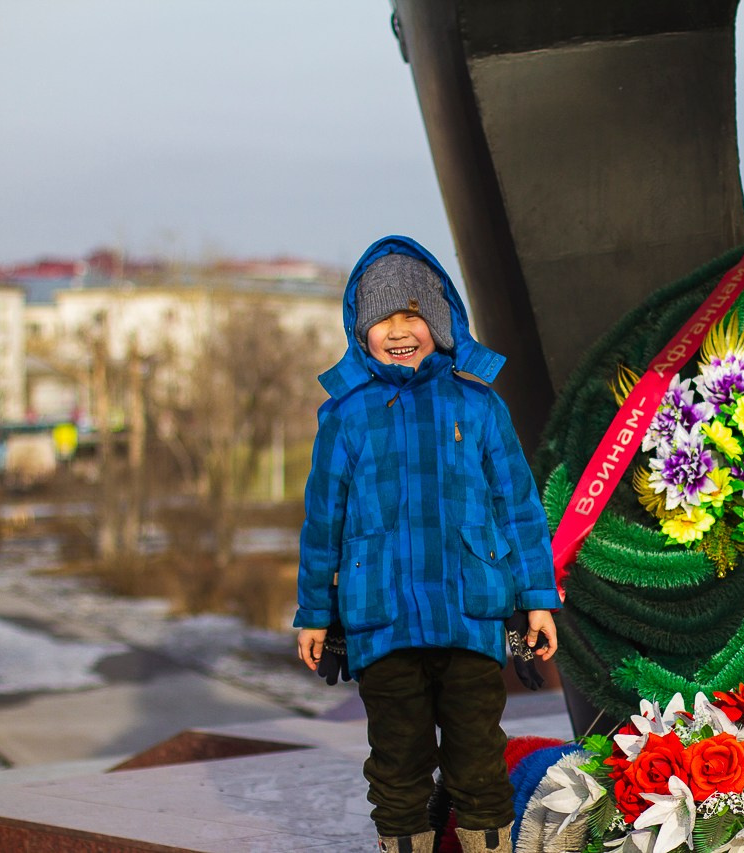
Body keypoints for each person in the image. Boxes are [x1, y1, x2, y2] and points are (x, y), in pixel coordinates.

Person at [294, 235, 559, 853]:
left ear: (440, 323)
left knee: (477, 757)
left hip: (469, 613)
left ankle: (483, 842)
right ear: (362, 332)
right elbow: (322, 521)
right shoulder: (345, 415)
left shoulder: (480, 405)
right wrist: (313, 613)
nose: (399, 329)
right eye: (383, 318)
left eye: (412, 314)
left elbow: (517, 506)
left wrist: (537, 599)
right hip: (380, 618)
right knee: (398, 760)